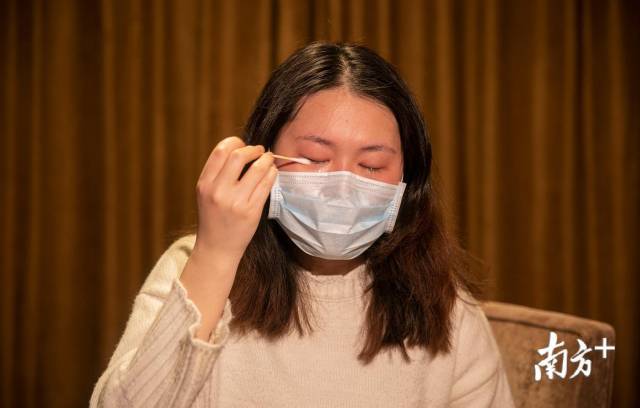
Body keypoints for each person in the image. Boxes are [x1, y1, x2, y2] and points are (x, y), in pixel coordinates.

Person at [90, 41, 515, 407]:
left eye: (371, 165)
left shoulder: (445, 307)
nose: (342, 186)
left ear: (409, 181)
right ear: (263, 156)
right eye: (314, 158)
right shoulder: (193, 265)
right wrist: (216, 255)